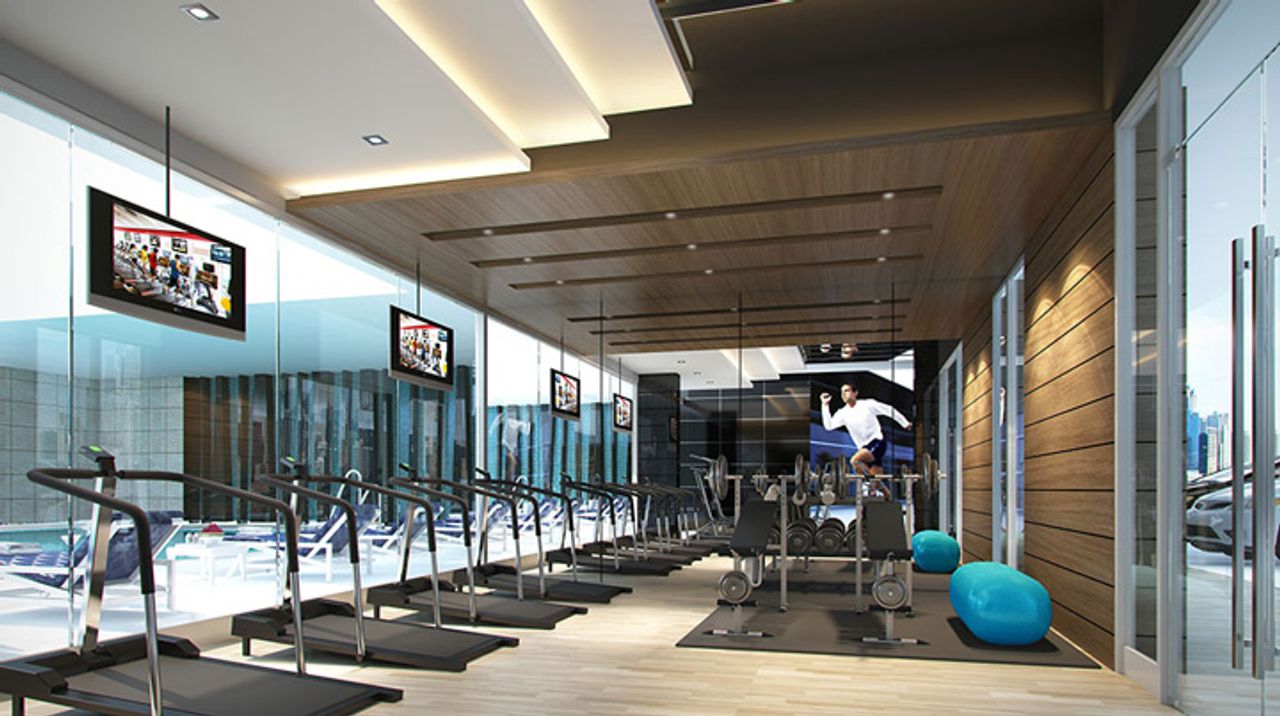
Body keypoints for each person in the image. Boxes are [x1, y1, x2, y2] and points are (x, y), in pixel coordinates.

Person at [820, 383, 912, 493]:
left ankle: (867, 483)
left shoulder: (868, 404)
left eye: (847, 390)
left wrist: (904, 423)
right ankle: (884, 493)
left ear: (855, 393)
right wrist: (825, 405)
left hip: (877, 443)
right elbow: (829, 426)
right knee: (876, 486)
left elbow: (888, 410)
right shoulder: (842, 413)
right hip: (863, 449)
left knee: (855, 461)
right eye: (842, 392)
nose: (844, 394)